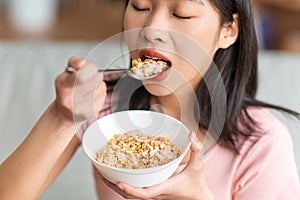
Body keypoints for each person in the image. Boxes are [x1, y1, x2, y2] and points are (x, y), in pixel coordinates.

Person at [0, 0, 300, 199]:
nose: (151, 29)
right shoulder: (101, 101)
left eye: (182, 13)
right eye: (140, 6)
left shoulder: (261, 142)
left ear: (229, 30)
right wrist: (62, 117)